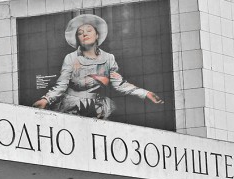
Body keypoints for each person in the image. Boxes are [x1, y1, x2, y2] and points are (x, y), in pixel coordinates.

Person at [33, 14, 163, 118]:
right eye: (80, 33)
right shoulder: (71, 58)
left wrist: (145, 93)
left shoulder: (109, 58)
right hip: (71, 107)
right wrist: (46, 100)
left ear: (97, 35)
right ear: (77, 39)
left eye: (89, 30)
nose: (84, 34)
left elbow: (120, 84)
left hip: (98, 107)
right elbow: (61, 85)